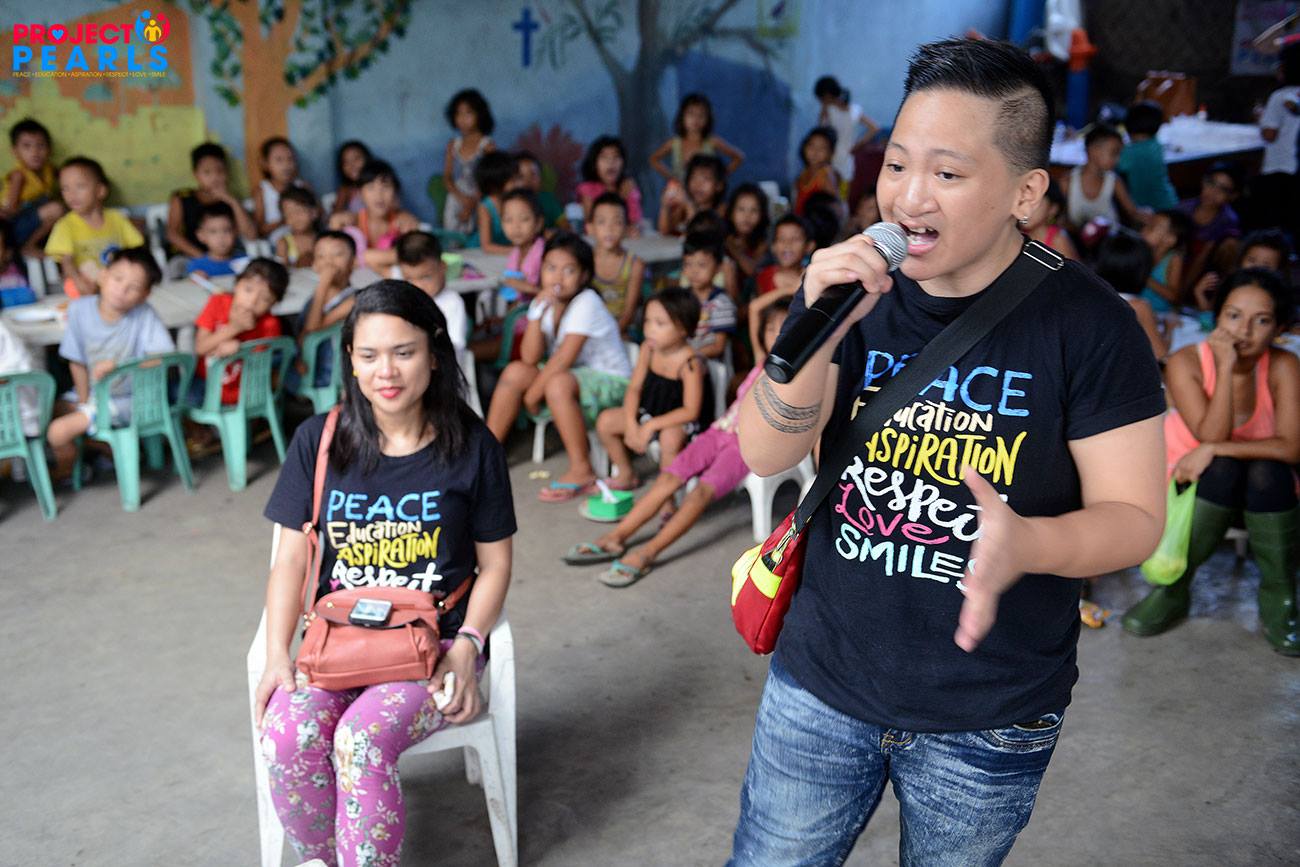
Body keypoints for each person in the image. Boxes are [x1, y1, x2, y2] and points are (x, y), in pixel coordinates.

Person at [729, 38, 1167, 864]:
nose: (907, 196)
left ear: (1025, 193)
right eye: (896, 164)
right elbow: (763, 450)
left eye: (947, 173)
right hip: (821, 680)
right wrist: (814, 321)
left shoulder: (1092, 325)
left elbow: (1137, 516)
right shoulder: (852, 288)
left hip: (989, 714)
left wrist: (1029, 543)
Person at [256, 280, 515, 866]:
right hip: (334, 645)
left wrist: (468, 647)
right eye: (369, 355)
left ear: (434, 353)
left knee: (361, 740)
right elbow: (290, 559)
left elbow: (496, 564)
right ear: (351, 360)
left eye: (404, 352)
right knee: (288, 736)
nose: (386, 372)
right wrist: (276, 654)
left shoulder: (474, 447)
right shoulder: (318, 441)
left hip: (434, 649)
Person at [1123, 268, 1299, 654]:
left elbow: (1291, 448)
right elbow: (1211, 436)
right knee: (1222, 469)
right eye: (1233, 316)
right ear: (1216, 318)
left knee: (1267, 472)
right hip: (1192, 489)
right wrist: (1224, 368)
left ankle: (1281, 598)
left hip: (1263, 494)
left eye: (1261, 320)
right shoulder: (1186, 362)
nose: (1243, 331)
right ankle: (1173, 589)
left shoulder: (1284, 365)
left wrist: (1215, 449)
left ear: (1279, 329)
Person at [567, 299, 791, 586]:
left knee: (699, 494)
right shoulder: (764, 360)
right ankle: (615, 537)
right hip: (718, 431)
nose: (777, 335)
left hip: (748, 446)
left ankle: (647, 552)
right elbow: (757, 307)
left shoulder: (800, 376)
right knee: (668, 479)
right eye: (771, 329)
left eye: (786, 329)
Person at [486, 231, 631, 502]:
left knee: (557, 382)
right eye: (551, 268)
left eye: (569, 270)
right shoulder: (548, 304)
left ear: (584, 276)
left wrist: (532, 397)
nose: (558, 277)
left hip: (613, 382)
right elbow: (530, 358)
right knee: (515, 372)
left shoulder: (587, 302)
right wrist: (535, 316)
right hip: (573, 377)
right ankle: (487, 454)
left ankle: (582, 469)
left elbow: (563, 358)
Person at [46, 248, 173, 479]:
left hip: (130, 399)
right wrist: (84, 402)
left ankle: (67, 472)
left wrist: (119, 366)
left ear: (145, 295)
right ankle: (105, 448)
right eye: (117, 279)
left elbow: (162, 359)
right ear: (103, 276)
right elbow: (76, 361)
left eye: (133, 287)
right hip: (94, 394)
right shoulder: (79, 309)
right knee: (49, 410)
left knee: (57, 432)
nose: (121, 290)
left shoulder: (144, 314)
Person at [596, 288, 711, 488]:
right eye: (647, 321)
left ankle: (666, 494)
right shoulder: (648, 349)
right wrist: (631, 424)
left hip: (681, 421)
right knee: (606, 421)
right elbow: (634, 388)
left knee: (669, 438)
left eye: (660, 323)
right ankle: (626, 473)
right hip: (649, 412)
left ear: (683, 328)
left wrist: (650, 426)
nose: (650, 329)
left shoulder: (690, 364)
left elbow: (690, 411)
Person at [190, 257, 287, 406]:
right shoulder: (218, 302)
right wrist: (235, 328)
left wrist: (238, 351)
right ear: (236, 284)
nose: (252, 301)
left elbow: (257, 368)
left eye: (265, 299)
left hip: (243, 390)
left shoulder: (269, 324)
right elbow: (200, 348)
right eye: (248, 290)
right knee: (187, 396)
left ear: (274, 304)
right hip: (207, 381)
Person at [44, 157, 145, 298]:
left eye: (80, 186)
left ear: (100, 190)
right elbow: (67, 262)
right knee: (75, 281)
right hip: (86, 286)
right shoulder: (64, 225)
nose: (71, 194)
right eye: (65, 189)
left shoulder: (117, 218)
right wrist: (79, 282)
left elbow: (136, 250)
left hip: (118, 283)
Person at [167, 142, 257, 258]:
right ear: (195, 174)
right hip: (191, 257)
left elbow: (251, 235)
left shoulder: (231, 201)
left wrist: (233, 202)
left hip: (226, 257)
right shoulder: (182, 197)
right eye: (207, 172)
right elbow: (173, 235)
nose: (215, 177)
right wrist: (204, 259)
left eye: (220, 171)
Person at [329, 159, 419, 273]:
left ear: (395, 191)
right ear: (360, 193)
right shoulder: (351, 222)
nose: (378, 195)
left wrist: (363, 257)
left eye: (385, 186)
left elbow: (414, 255)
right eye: (370, 187)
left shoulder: (404, 222)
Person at [1249, 39, 1300, 234]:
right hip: (1295, 168)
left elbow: (1269, 134)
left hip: (1279, 167)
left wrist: (1262, 119)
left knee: (1273, 222)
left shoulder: (1280, 97)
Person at [1094, 227, 1168, 359]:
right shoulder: (1139, 306)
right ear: (1142, 270)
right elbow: (1159, 354)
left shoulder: (1091, 296)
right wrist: (1170, 330)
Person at [749, 214, 814, 350]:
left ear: (809, 246)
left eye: (795, 239)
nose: (787, 245)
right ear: (773, 246)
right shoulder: (765, 277)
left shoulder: (813, 275)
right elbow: (758, 312)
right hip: (771, 347)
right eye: (781, 239)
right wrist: (758, 352)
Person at [396, 230, 467, 352]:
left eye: (426, 277)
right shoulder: (401, 300)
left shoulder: (452, 304)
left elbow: (455, 348)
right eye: (409, 279)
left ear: (443, 267)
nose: (418, 286)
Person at [649, 93, 744, 183]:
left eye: (701, 115)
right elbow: (653, 159)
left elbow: (738, 157)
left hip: (706, 192)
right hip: (681, 192)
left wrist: (719, 177)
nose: (696, 119)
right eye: (691, 114)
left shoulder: (712, 141)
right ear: (682, 117)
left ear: (708, 119)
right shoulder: (674, 143)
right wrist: (671, 178)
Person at [1179, 161, 1244, 294]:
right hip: (1178, 260)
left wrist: (1182, 291)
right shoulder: (1184, 208)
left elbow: (1202, 259)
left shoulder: (1227, 219)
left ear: (1232, 196)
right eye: (1211, 183)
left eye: (1223, 189)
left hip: (1206, 271)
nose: (1213, 192)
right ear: (1203, 181)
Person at [1, 118, 63, 253]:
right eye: (27, 146)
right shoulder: (18, 176)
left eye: (41, 146)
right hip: (15, 225)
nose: (35, 152)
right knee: (56, 209)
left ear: (49, 149)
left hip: (33, 220)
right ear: (15, 152)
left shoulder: (49, 169)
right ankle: (28, 246)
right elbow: (11, 209)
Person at [1065, 124, 1145, 229]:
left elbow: (1133, 212)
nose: (1118, 160)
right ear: (1093, 151)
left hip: (1112, 238)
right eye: (1114, 153)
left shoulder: (1114, 181)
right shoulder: (1067, 182)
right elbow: (1062, 220)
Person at [1192, 228, 1291, 312]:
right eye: (1252, 260)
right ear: (1241, 260)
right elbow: (1212, 317)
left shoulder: (1279, 299)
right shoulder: (1230, 285)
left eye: (1266, 267)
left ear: (1279, 271)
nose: (1256, 269)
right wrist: (1199, 293)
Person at [589, 192, 645, 334]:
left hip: (621, 330)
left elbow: (628, 313)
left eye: (617, 222)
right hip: (589, 328)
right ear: (590, 227)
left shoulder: (635, 265)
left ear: (627, 228)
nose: (609, 229)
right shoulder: (584, 259)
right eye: (602, 222)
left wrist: (611, 337)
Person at [442, 88, 497, 234]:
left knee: (478, 236)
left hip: (480, 198)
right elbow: (447, 177)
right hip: (456, 197)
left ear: (480, 115)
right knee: (453, 238)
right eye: (458, 113)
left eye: (468, 113)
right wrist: (461, 198)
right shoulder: (453, 145)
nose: (462, 119)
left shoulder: (487, 146)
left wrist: (472, 202)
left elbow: (491, 178)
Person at [814, 76, 880, 190]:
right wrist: (857, 145)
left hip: (830, 160)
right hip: (846, 160)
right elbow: (874, 128)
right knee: (841, 194)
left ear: (826, 96)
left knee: (827, 192)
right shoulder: (855, 110)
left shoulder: (829, 110)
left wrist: (824, 108)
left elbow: (821, 130)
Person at [682, 230, 735, 361]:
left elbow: (718, 346)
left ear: (718, 268)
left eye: (702, 265)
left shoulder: (721, 302)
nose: (694, 271)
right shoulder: (681, 297)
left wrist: (686, 356)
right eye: (688, 264)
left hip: (710, 364)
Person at [1118, 101, 1178, 211]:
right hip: (1168, 201)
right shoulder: (1156, 144)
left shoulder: (1129, 153)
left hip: (1147, 207)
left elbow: (1116, 165)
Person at [575, 136, 644, 232]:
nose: (611, 162)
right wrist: (620, 198)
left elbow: (635, 223)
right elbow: (590, 224)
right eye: (604, 157)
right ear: (594, 163)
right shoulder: (587, 189)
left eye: (616, 157)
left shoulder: (628, 186)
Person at [252, 137, 311, 238]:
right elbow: (260, 230)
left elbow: (318, 215)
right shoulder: (262, 191)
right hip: (276, 243)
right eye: (279, 160)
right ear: (265, 163)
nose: (286, 165)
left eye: (290, 159)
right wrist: (287, 219)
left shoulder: (303, 186)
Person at [657, 153, 727, 237]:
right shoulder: (682, 208)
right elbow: (664, 232)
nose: (698, 184)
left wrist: (689, 206)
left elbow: (700, 235)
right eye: (693, 177)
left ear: (719, 185)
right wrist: (665, 207)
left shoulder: (722, 210)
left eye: (706, 179)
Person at [1139, 208, 1192, 313]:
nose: (1143, 230)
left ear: (1169, 239)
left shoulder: (1173, 259)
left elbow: (1173, 296)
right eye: (1145, 225)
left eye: (1151, 228)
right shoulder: (1140, 250)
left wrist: (1144, 277)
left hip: (1157, 313)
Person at [723, 183, 771, 290]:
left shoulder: (762, 243)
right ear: (731, 212)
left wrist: (733, 249)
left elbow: (752, 271)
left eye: (754, 210)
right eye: (741, 209)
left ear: (762, 215)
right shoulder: (722, 235)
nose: (747, 216)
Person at [467, 151, 514, 253]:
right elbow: (486, 246)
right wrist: (517, 251)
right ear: (497, 181)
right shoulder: (485, 206)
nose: (516, 183)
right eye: (512, 179)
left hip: (502, 251)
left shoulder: (513, 201)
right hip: (478, 252)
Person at [186, 203, 249, 278]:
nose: (221, 237)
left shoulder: (245, 262)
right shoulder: (197, 266)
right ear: (201, 236)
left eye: (227, 230)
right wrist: (197, 279)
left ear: (235, 232)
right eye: (213, 231)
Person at [1022, 178, 1078, 259]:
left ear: (1052, 209)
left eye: (1034, 204)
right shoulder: (1015, 234)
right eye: (1023, 202)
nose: (1026, 209)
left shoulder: (1058, 240)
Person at [508, 149, 565, 228]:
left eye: (533, 174)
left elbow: (565, 226)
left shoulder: (548, 199)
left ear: (541, 177)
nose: (528, 181)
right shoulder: (508, 203)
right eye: (520, 177)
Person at [793, 126, 842, 216]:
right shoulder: (805, 171)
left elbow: (835, 205)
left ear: (830, 153)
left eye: (822, 148)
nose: (815, 152)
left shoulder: (825, 175)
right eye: (811, 146)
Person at [274, 186, 321, 268]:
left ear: (314, 213)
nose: (295, 218)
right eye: (289, 214)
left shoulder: (323, 240)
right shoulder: (284, 243)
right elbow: (281, 271)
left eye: (299, 211)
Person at [330, 139, 372, 216]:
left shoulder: (377, 184)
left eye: (356, 159)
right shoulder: (345, 190)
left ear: (367, 159)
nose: (352, 165)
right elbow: (335, 216)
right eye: (346, 162)